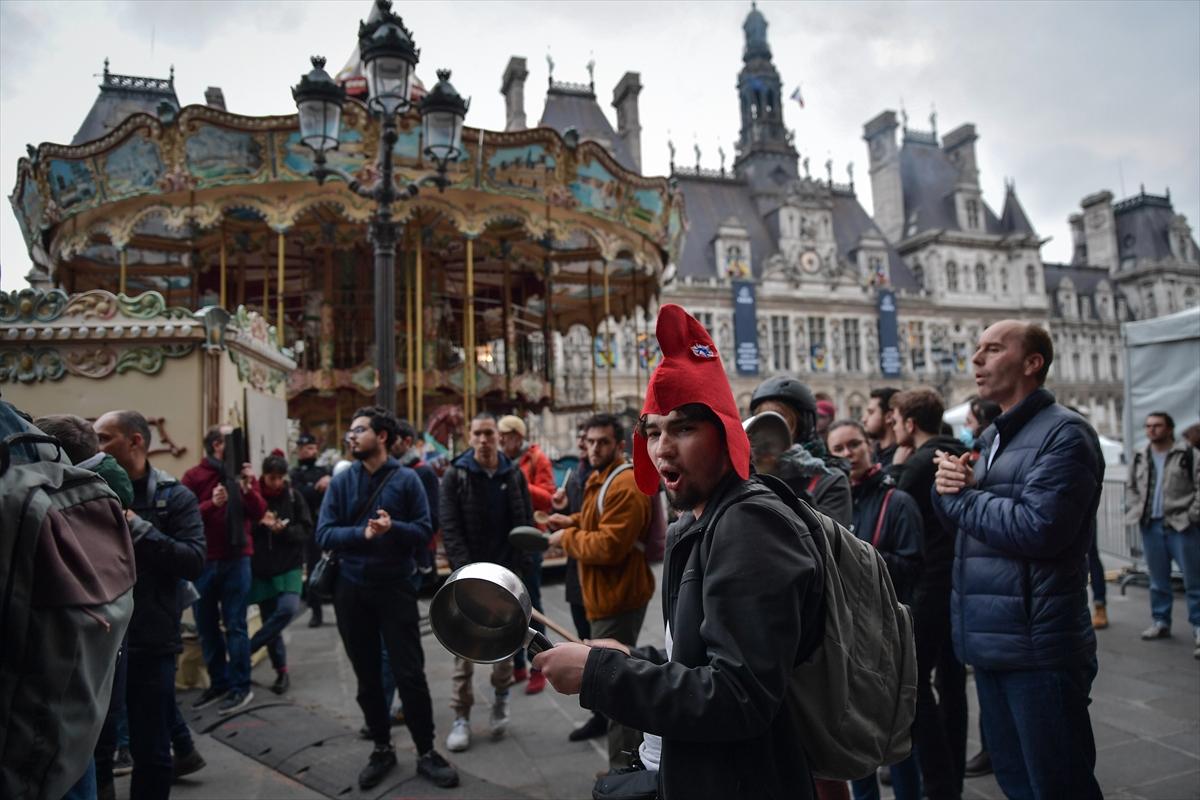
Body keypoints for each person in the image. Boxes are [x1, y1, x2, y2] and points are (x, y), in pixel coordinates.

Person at [534, 304, 826, 799]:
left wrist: (601, 676)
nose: (662, 448)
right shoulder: (697, 519)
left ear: (727, 435)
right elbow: (700, 654)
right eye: (652, 431)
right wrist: (631, 656)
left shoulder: (749, 525)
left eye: (684, 428)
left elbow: (739, 697)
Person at [934, 320, 1103, 799]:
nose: (976, 360)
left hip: (1038, 647)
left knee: (1058, 784)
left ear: (1032, 363)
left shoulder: (1066, 434)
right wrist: (945, 487)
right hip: (992, 642)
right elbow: (967, 531)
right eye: (976, 348)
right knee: (1016, 782)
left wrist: (962, 497)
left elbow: (1040, 529)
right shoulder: (992, 438)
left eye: (992, 349)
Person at [318, 406, 458, 790]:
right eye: (350, 430)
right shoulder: (342, 482)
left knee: (409, 672)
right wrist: (361, 535)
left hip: (395, 586)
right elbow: (325, 533)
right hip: (350, 589)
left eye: (359, 430)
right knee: (366, 675)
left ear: (381, 436)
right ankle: (381, 747)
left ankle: (426, 750)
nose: (351, 436)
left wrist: (392, 527)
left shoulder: (406, 480)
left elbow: (425, 529)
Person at [94, 410, 206, 800]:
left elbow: (192, 560)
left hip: (151, 635)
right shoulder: (89, 493)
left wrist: (136, 526)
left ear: (136, 441)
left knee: (152, 747)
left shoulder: (174, 497)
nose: (98, 448)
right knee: (97, 749)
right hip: (99, 639)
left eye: (105, 438)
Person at [546, 412, 654, 773]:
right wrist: (571, 521)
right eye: (589, 441)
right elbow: (596, 521)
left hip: (618, 597)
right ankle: (624, 761)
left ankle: (624, 772)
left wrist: (566, 538)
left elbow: (609, 546)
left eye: (602, 442)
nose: (594, 448)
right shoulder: (600, 476)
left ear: (618, 445)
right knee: (609, 680)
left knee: (616, 686)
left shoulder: (625, 483)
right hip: (602, 595)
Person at [826, 419, 923, 800]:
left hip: (888, 636)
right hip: (844, 634)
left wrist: (860, 562)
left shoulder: (896, 501)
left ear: (869, 445)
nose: (848, 454)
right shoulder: (830, 502)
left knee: (896, 738)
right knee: (852, 739)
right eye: (838, 449)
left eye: (854, 445)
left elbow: (913, 565)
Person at [889, 387, 970, 800]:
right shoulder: (956, 450)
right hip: (958, 578)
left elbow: (893, 503)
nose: (890, 423)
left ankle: (938, 784)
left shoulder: (919, 463)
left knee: (914, 686)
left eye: (895, 417)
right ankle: (951, 776)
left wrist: (897, 468)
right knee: (952, 683)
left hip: (930, 584)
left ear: (911, 423)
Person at [438, 412, 534, 753]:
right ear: (469, 436)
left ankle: (501, 699)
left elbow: (523, 518)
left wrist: (520, 565)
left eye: (489, 433)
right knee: (462, 651)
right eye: (477, 434)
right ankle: (461, 715)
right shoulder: (456, 475)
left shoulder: (513, 473)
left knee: (503, 649)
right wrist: (468, 575)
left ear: (498, 435)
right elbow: (450, 527)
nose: (484, 440)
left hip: (506, 576)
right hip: (469, 578)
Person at [183, 426, 267, 715]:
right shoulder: (195, 476)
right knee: (206, 627)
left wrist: (247, 488)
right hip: (205, 560)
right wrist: (211, 504)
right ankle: (218, 683)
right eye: (231, 443)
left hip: (237, 559)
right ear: (217, 445)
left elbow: (259, 512)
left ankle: (240, 687)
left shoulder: (243, 475)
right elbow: (184, 514)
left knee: (236, 625)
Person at [1126, 411, 1200, 658]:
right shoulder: (1140, 455)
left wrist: (1192, 515)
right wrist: (1136, 508)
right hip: (1151, 525)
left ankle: (1198, 626)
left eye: (1157, 426)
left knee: (1194, 580)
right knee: (1157, 579)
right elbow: (1132, 487)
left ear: (1169, 428)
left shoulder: (1187, 454)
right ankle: (1161, 621)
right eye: (1148, 426)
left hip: (1181, 524)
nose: (1152, 430)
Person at [551, 424, 607, 742]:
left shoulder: (600, 477)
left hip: (595, 574)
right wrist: (561, 509)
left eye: (595, 440)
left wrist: (568, 531)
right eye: (584, 440)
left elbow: (602, 533)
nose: (587, 446)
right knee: (581, 637)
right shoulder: (579, 473)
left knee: (597, 647)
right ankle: (599, 712)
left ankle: (607, 715)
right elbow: (581, 515)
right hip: (577, 570)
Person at [498, 413, 556, 695]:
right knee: (508, 607)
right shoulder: (500, 461)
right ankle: (518, 665)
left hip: (528, 539)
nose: (500, 441)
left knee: (531, 606)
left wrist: (519, 480)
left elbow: (549, 497)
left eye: (504, 436)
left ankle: (540, 666)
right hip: (506, 541)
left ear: (517, 437)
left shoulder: (536, 459)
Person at [960, 394, 1001, 780]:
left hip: (1015, 608)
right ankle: (993, 751)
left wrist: (959, 498)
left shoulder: (1063, 435)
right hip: (983, 601)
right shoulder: (985, 450)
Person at [248, 451, 313, 695]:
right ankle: (281, 671)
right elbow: (244, 527)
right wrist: (260, 524)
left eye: (279, 477)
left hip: (289, 566)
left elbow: (306, 530)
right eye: (270, 477)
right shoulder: (254, 497)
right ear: (263, 476)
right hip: (262, 567)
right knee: (269, 620)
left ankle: (249, 648)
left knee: (286, 609)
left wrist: (282, 530)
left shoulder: (293, 497)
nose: (275, 482)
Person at [749, 376, 852, 526]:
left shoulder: (831, 479)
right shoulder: (749, 476)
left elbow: (828, 542)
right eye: (762, 419)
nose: (768, 428)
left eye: (778, 418)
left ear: (802, 425)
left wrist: (792, 481)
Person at [290, 433, 331, 627]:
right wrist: (315, 488)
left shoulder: (324, 471)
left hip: (323, 523)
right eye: (307, 449)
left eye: (313, 448)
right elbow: (301, 494)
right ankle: (316, 610)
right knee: (313, 567)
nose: (311, 451)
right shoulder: (295, 474)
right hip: (307, 527)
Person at [861, 387, 901, 469]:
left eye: (871, 412)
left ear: (889, 417)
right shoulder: (871, 454)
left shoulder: (903, 456)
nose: (864, 419)